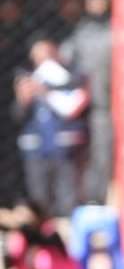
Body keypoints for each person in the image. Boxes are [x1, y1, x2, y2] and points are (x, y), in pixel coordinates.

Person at [13, 38, 89, 221]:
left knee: (67, 196)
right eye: (37, 56)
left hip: (65, 146)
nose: (42, 61)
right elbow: (17, 116)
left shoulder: (72, 78)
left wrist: (46, 91)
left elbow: (72, 108)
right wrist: (23, 100)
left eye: (45, 55)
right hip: (37, 148)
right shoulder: (29, 79)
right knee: (39, 196)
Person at [61, 0, 112, 204]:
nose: (97, 3)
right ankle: (88, 199)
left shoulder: (117, 28)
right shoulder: (81, 32)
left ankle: (102, 197)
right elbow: (65, 56)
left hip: (108, 106)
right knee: (83, 157)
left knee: (105, 155)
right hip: (85, 106)